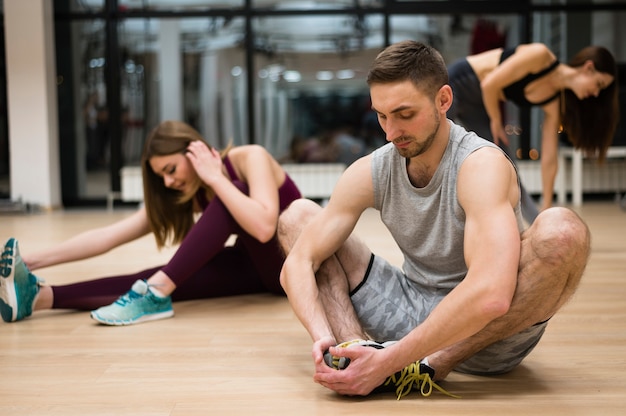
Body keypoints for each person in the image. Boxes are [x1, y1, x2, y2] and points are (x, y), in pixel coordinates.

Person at [276, 40, 591, 399]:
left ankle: (422, 366)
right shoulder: (374, 168)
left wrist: (393, 359)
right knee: (296, 216)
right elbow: (298, 263)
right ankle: (354, 356)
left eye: (405, 114)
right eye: (382, 115)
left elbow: (491, 295)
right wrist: (323, 337)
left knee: (563, 230)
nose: (391, 132)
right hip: (409, 308)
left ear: (443, 100)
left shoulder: (480, 165)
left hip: (487, 337)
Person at [0, 120, 301, 325]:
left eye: (171, 169)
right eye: (161, 176)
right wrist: (29, 261)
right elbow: (110, 235)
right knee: (160, 277)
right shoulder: (186, 193)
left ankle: (156, 293)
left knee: (235, 192)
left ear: (193, 149)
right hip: (254, 270)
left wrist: (214, 178)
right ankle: (38, 297)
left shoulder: (249, 157)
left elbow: (264, 228)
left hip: (293, 265)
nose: (168, 182)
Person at [447, 42, 618, 223]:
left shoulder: (552, 101)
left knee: (507, 165)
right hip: (458, 82)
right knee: (441, 153)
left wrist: (547, 204)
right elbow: (489, 84)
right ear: (588, 68)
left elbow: (549, 157)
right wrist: (496, 121)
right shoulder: (540, 55)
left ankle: (540, 223)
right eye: (599, 84)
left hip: (480, 104)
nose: (596, 93)